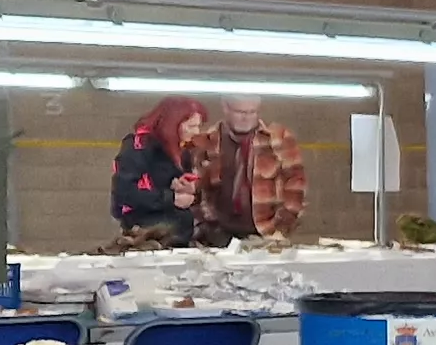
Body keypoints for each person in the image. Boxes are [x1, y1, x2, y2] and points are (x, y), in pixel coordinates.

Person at [182, 94, 304, 241]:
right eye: (240, 112)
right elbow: (194, 189)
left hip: (267, 233)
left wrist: (282, 227)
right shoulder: (205, 142)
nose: (247, 118)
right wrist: (202, 225)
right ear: (225, 107)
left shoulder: (279, 138)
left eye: (252, 112)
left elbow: (296, 185)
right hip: (217, 233)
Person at [110, 98, 206, 245]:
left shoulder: (182, 151)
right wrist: (171, 198)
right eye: (191, 126)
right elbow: (124, 193)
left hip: (179, 235)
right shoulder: (139, 147)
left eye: (198, 126)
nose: (196, 132)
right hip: (147, 236)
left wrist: (183, 186)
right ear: (173, 124)